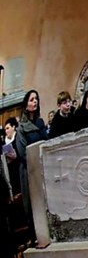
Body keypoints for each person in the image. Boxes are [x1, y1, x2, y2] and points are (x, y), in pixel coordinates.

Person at [13, 90, 47, 242]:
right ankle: (35, 236)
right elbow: (22, 152)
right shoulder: (21, 128)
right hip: (29, 170)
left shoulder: (40, 123)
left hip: (43, 166)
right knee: (33, 203)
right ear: (26, 104)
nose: (35, 101)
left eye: (36, 99)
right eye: (32, 99)